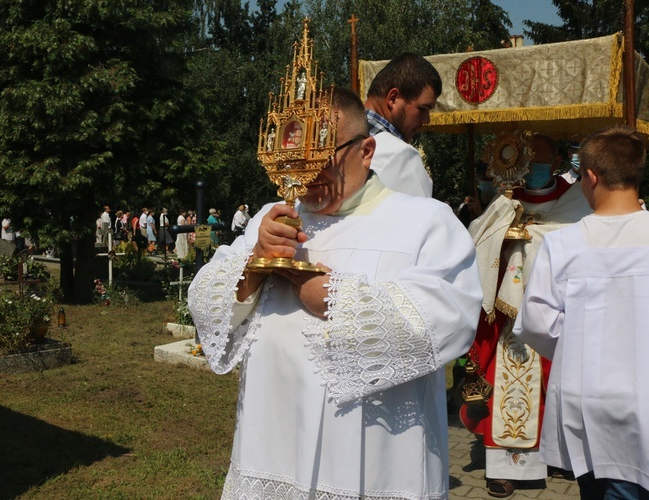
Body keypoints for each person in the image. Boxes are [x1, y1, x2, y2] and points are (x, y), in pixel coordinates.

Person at [188, 88, 483, 499]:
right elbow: (205, 301)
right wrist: (254, 264)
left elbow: (450, 318)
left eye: (324, 156)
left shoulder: (425, 222)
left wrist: (334, 297)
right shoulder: (269, 220)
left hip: (375, 461)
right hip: (273, 446)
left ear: (366, 151)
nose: (308, 176)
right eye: (297, 159)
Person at [513, 125, 649, 499]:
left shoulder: (564, 244)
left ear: (589, 177)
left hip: (592, 405)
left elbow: (537, 323)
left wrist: (582, 347)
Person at [460, 134, 592, 497]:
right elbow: (478, 242)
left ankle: (561, 457)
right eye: (526, 161)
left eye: (539, 160)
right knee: (507, 386)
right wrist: (507, 240)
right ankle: (504, 469)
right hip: (511, 321)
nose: (531, 168)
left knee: (560, 387)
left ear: (557, 163)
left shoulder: (577, 202)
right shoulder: (505, 204)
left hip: (559, 314)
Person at [363, 52, 442, 198]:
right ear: (393, 99)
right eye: (422, 109)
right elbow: (423, 219)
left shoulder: (337, 137)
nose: (426, 120)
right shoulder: (400, 156)